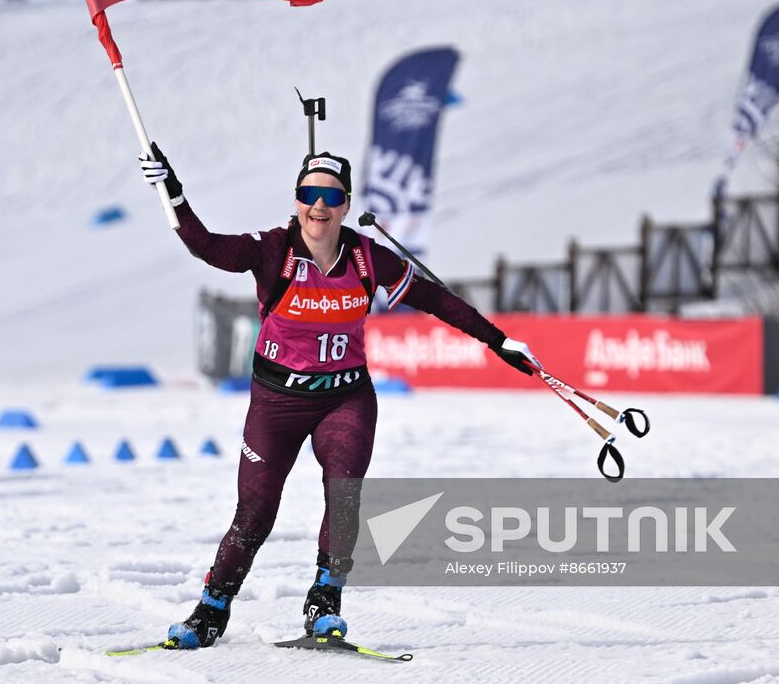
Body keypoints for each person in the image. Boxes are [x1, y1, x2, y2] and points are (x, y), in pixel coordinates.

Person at [138, 145, 539, 648]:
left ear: (346, 204)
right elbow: (207, 247)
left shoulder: (367, 258)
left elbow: (436, 299)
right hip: (276, 402)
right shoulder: (271, 249)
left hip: (345, 398)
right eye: (309, 194)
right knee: (255, 512)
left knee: (344, 497)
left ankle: (324, 604)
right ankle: (211, 610)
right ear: (297, 200)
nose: (318, 206)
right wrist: (173, 195)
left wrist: (496, 339)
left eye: (330, 195)